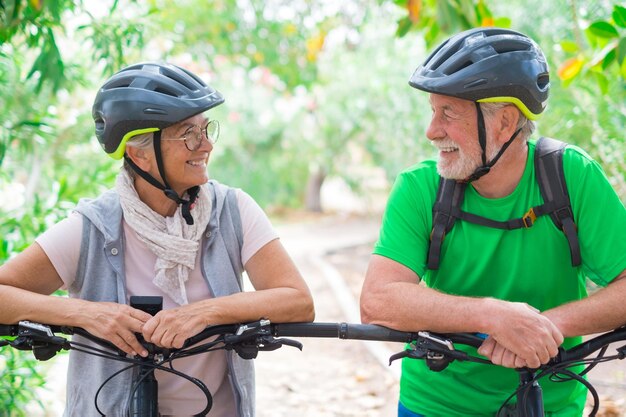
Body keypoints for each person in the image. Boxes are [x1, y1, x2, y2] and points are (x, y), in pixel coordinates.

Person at [0, 62, 315, 417]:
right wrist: (86, 314)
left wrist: (204, 313)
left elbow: (297, 300)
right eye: (188, 133)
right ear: (139, 153)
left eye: (206, 129)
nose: (207, 145)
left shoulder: (233, 211)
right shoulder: (93, 227)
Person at [360, 27, 626, 416]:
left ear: (504, 122)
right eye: (433, 111)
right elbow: (378, 299)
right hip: (437, 404)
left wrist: (543, 325)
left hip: (549, 403)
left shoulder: (571, 177)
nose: (431, 131)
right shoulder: (419, 188)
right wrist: (493, 316)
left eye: (448, 112)